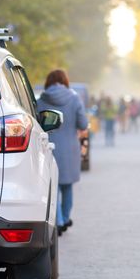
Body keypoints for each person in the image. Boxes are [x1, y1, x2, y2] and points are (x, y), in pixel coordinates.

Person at [37, 69, 88, 236]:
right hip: (71, 148)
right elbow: (83, 123)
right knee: (67, 186)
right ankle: (65, 219)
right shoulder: (74, 98)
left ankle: (57, 220)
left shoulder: (41, 100)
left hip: (49, 147)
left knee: (53, 185)